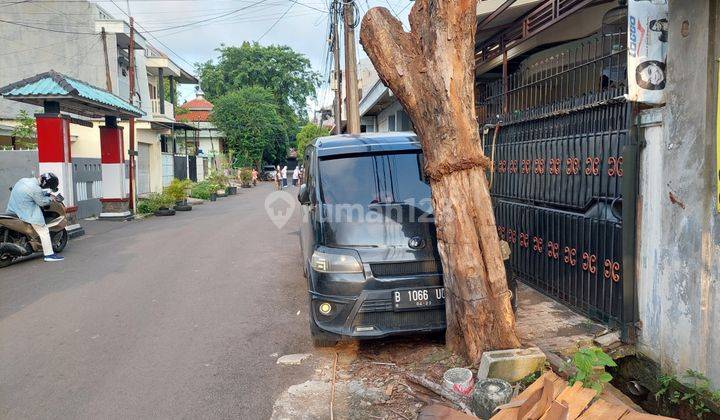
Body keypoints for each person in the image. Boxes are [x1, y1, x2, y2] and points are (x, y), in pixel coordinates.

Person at [6, 173, 64, 262]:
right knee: (44, 231)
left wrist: (46, 193)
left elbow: (32, 193)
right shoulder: (35, 189)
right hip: (26, 213)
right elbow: (42, 202)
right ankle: (49, 255)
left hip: (12, 211)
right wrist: (52, 199)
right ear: (46, 185)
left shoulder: (23, 180)